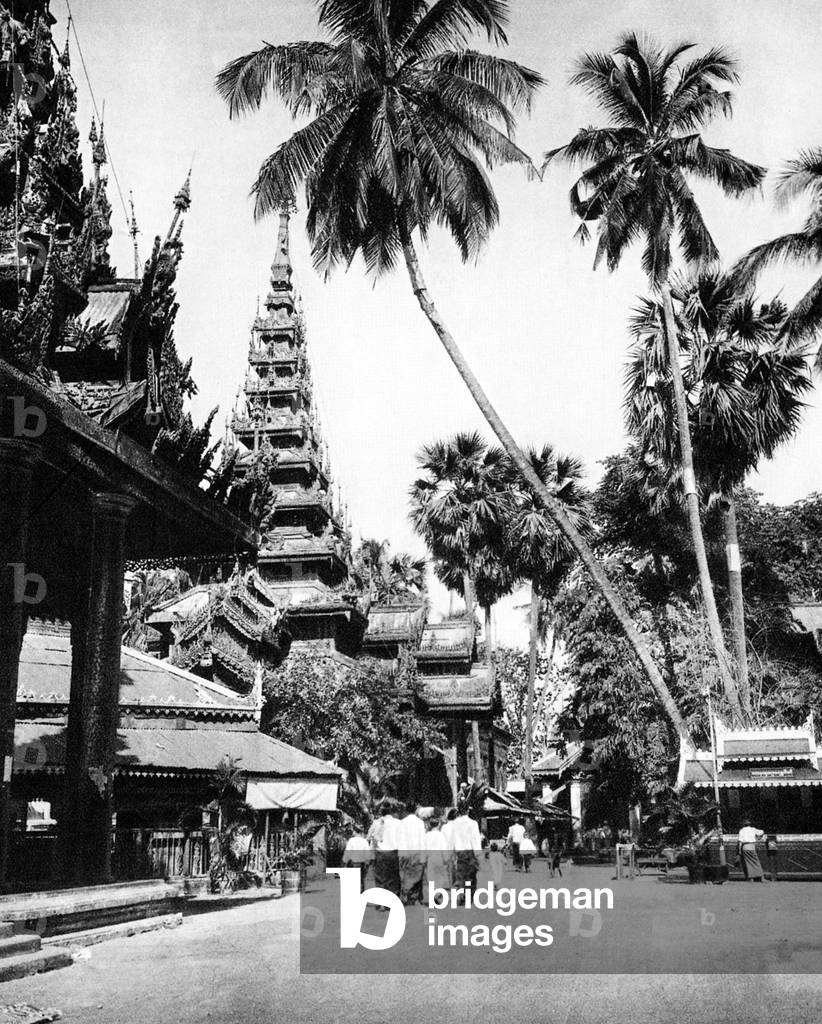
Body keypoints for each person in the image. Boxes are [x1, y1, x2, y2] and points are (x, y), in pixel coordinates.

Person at [368, 798, 400, 899]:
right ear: (391, 811)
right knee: (393, 878)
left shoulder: (376, 823)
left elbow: (369, 837)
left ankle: (381, 902)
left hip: (380, 853)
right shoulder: (398, 823)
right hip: (393, 853)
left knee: (380, 878)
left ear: (381, 812)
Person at [396, 800, 427, 904]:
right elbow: (422, 839)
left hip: (406, 851)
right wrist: (423, 856)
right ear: (415, 810)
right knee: (418, 874)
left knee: (406, 874)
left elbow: (401, 839)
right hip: (417, 851)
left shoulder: (402, 822)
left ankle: (405, 895)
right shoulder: (420, 822)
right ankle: (415, 897)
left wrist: (402, 853)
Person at [450, 806, 483, 900]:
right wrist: (478, 854)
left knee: (461, 874)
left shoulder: (454, 823)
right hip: (470, 852)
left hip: (459, 852)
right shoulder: (473, 823)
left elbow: (452, 838)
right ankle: (469, 895)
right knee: (471, 874)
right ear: (468, 811)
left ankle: (461, 894)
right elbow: (475, 839)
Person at [424, 814, 452, 891]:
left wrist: (424, 859)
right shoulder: (441, 835)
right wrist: (446, 858)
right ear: (439, 824)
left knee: (431, 876)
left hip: (430, 858)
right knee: (439, 876)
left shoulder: (427, 835)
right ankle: (438, 892)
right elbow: (444, 848)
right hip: (439, 858)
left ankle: (433, 892)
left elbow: (424, 848)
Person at [342, 828, 372, 892]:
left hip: (353, 863)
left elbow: (348, 852)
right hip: (362, 864)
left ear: (355, 832)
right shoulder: (364, 841)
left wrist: (344, 862)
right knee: (361, 880)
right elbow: (368, 853)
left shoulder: (351, 840)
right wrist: (367, 863)